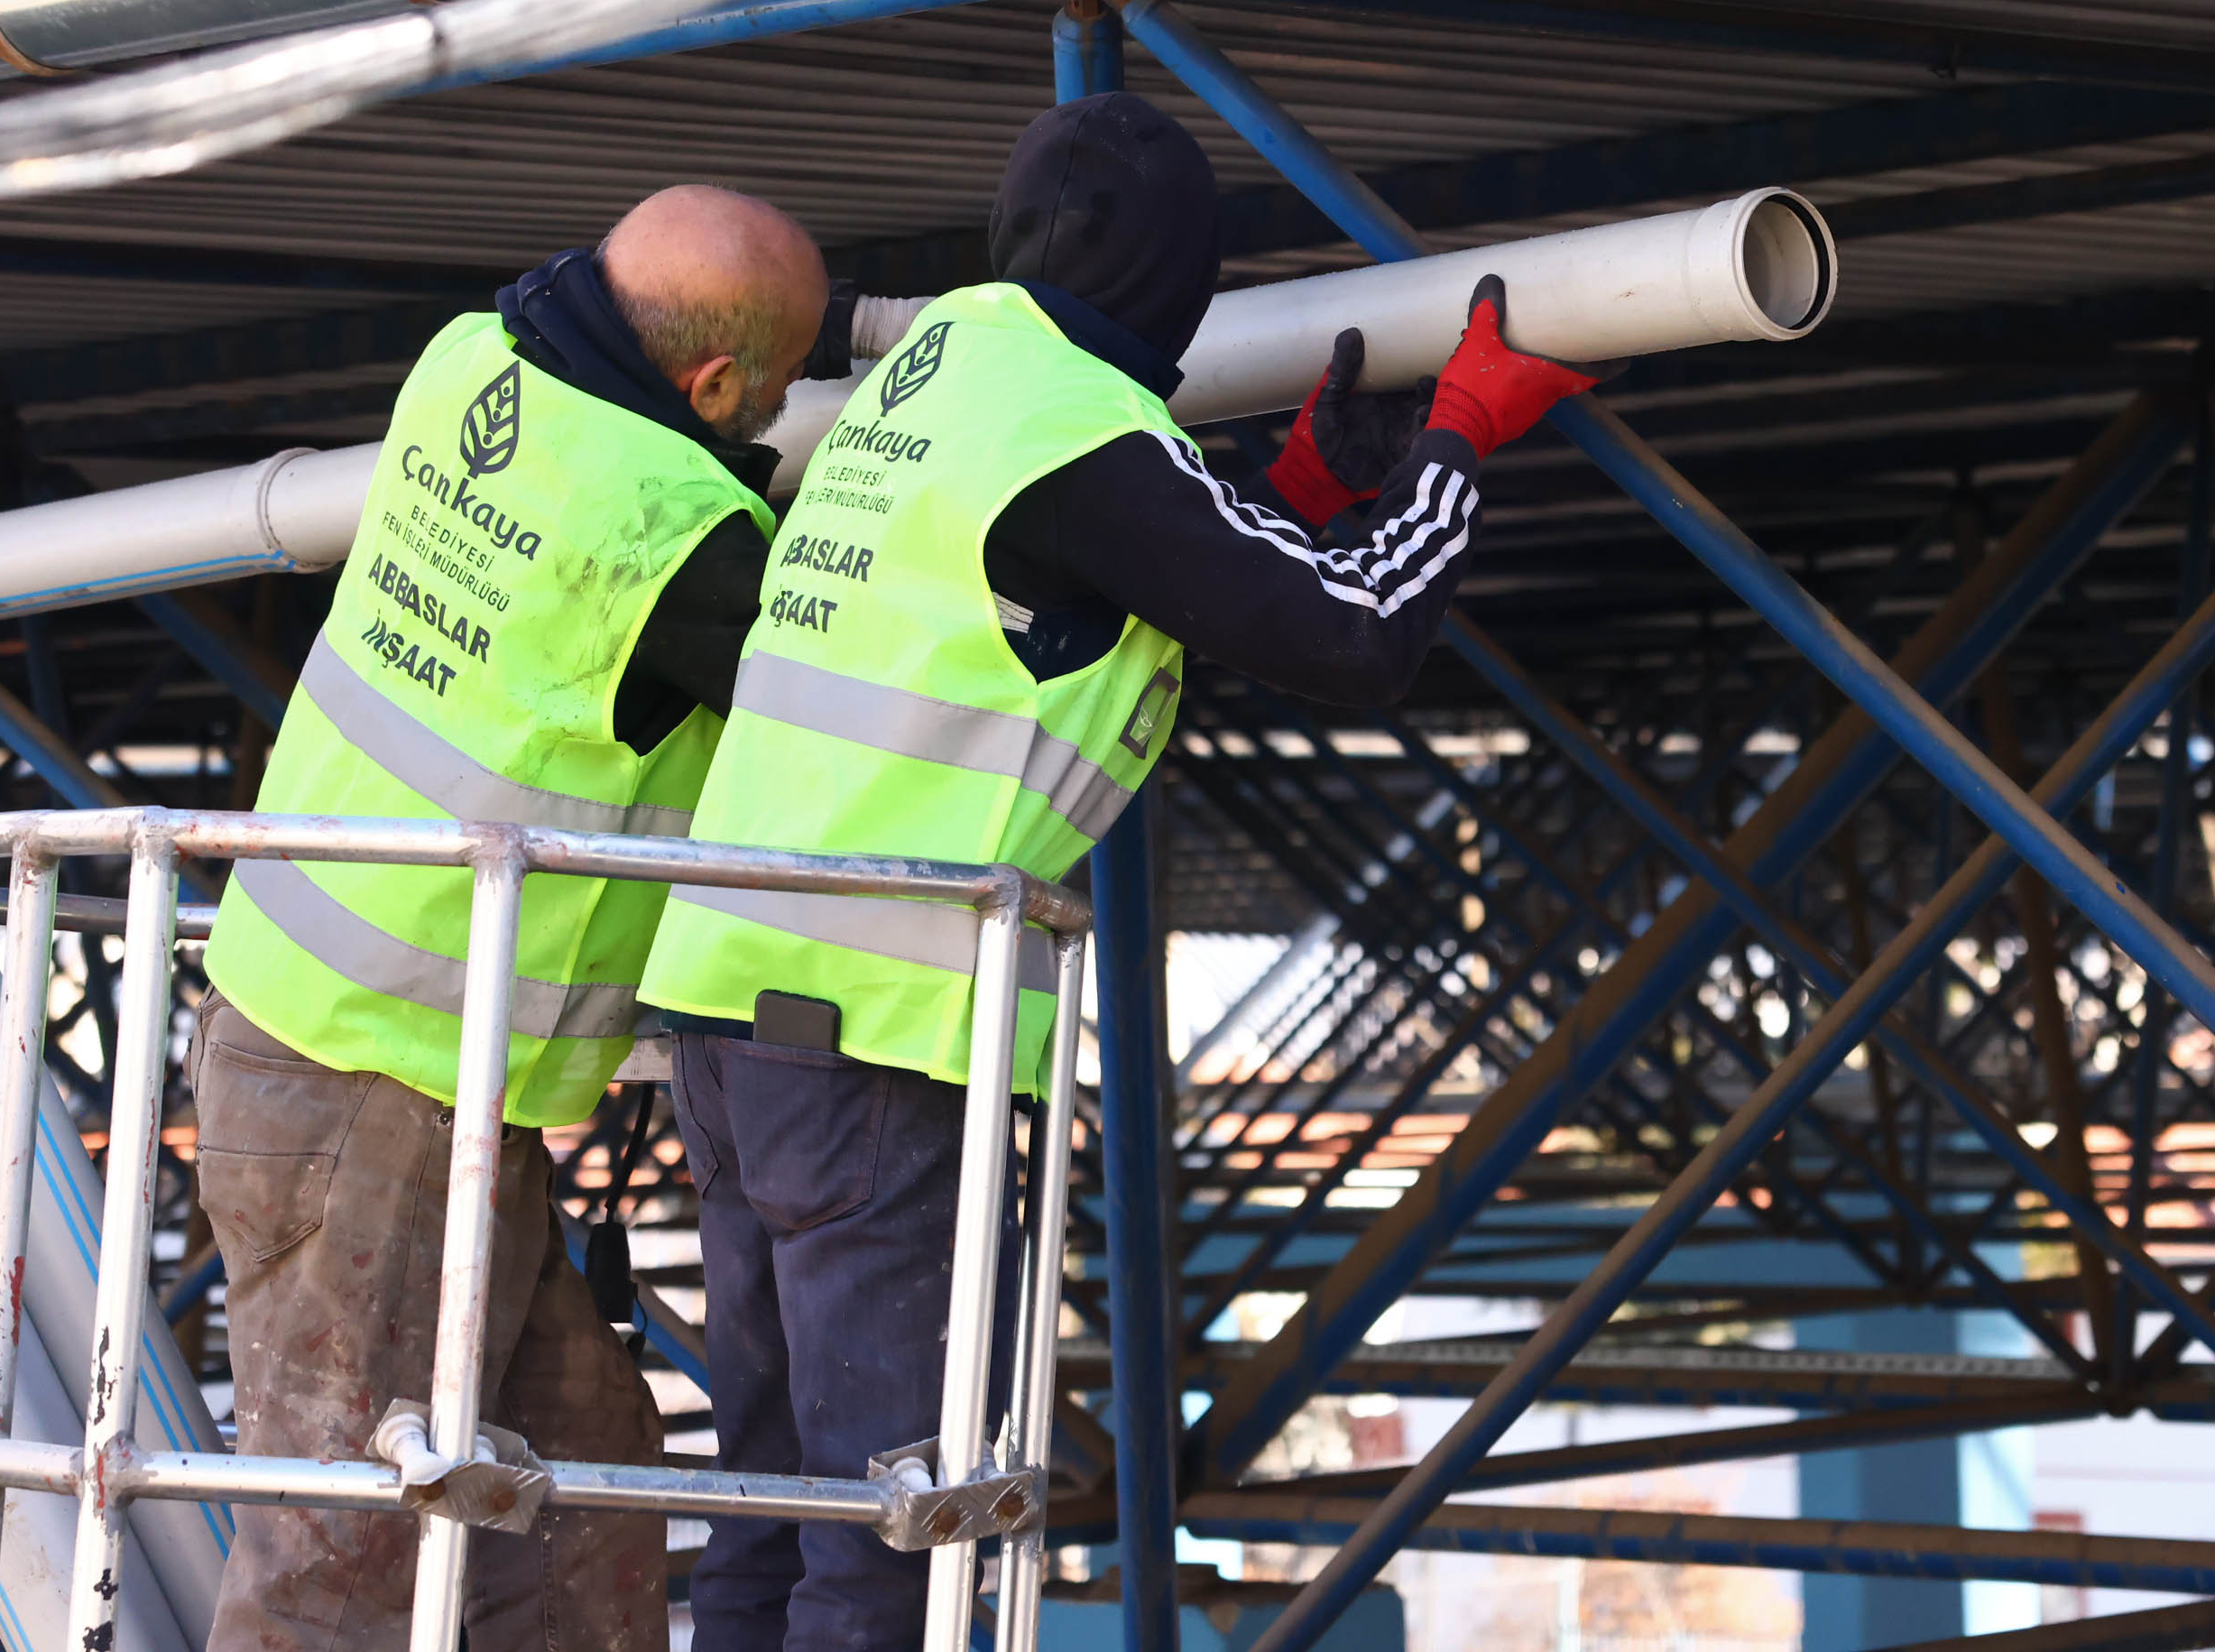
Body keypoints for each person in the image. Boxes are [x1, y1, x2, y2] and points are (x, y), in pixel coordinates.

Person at [636, 93, 1606, 1651]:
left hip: (729, 1012)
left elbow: (1059, 610)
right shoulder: (1075, 431)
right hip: (879, 1037)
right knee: (900, 1529)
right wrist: (1460, 440)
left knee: (776, 1495)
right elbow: (1358, 638)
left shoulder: (943, 376)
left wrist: (1289, 496)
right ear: (1175, 289)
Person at [192, 182, 830, 1652]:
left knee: (573, 1486)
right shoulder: (676, 536)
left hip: (337, 1039)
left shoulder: (473, 355)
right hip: (378, 1077)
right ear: (717, 387)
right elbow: (862, 705)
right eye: (770, 396)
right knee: (340, 1549)